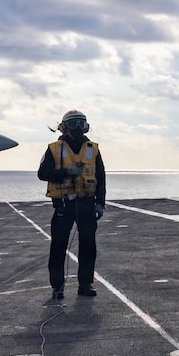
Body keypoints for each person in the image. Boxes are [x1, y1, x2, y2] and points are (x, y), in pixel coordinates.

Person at [38, 109, 106, 299]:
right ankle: (57, 287)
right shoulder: (53, 148)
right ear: (64, 126)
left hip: (87, 205)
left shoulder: (93, 149)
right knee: (58, 247)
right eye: (73, 124)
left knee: (88, 247)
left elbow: (100, 176)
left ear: (86, 126)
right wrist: (67, 171)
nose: (78, 128)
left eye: (81, 124)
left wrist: (101, 203)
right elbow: (42, 173)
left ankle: (85, 284)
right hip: (63, 206)